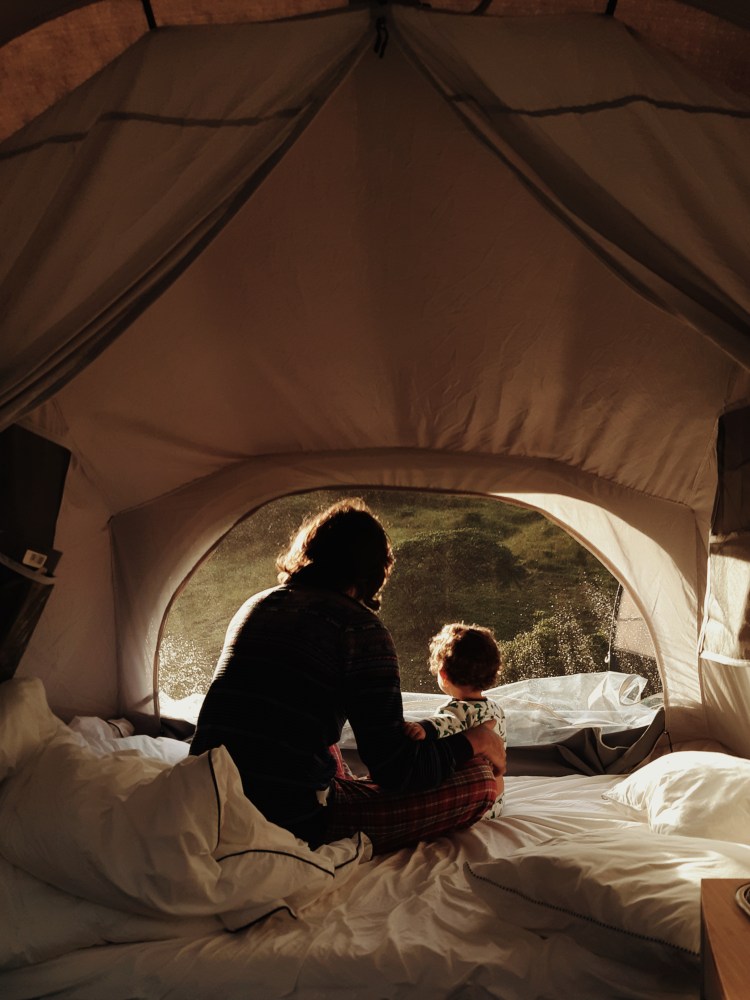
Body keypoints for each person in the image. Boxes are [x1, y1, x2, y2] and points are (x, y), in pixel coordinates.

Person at [189, 498, 505, 855]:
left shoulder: (257, 604)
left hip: (207, 792)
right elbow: (396, 770)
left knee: (309, 732)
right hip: (289, 815)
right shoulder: (359, 629)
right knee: (481, 781)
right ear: (375, 571)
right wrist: (475, 741)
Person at [403, 622, 506, 819]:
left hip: (473, 802)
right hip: (497, 800)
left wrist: (421, 728)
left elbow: (444, 722)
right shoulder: (495, 709)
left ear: (443, 674)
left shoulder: (456, 710)